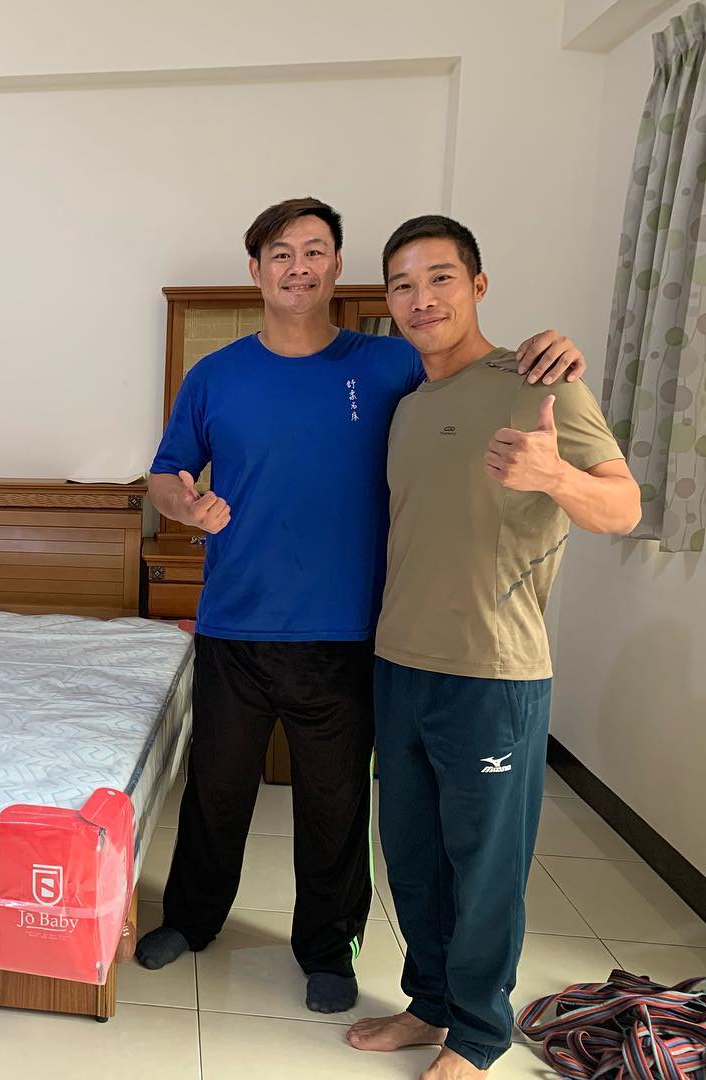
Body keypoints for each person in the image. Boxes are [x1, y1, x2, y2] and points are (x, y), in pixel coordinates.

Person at [136, 197, 588, 1017]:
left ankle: (327, 946)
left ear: (338, 267)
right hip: (235, 624)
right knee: (216, 790)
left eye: (314, 251)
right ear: (256, 271)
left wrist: (546, 351)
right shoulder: (215, 376)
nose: (298, 267)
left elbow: (469, 377)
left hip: (350, 632)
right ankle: (191, 919)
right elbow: (165, 474)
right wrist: (186, 504)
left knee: (335, 804)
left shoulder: (390, 366)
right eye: (281, 254)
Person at [345, 215, 639, 1078]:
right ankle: (431, 1005)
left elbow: (623, 508)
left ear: (477, 286)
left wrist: (555, 475)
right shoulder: (408, 407)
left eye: (440, 278)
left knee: (483, 866)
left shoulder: (541, 382)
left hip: (493, 672)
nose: (421, 299)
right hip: (400, 663)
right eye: (403, 285)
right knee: (412, 856)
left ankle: (477, 1034)